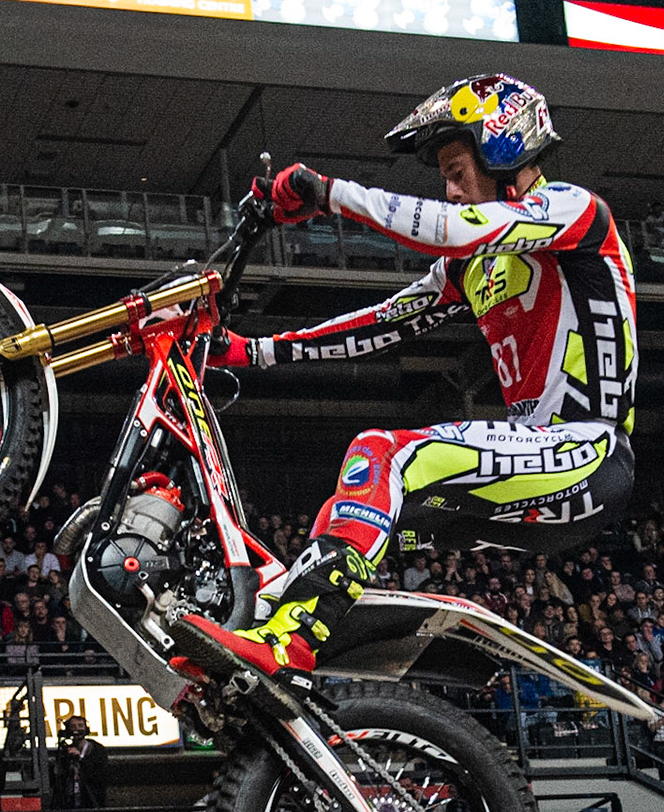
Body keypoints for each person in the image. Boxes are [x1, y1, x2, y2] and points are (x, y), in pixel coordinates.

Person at [181, 74, 635, 689]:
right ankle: (271, 647)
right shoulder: (471, 265)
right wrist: (252, 351)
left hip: (590, 453)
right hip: (540, 471)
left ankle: (293, 641)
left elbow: (461, 229)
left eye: (455, 169)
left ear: (503, 148)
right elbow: (381, 324)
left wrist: (329, 193)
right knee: (352, 508)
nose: (448, 191)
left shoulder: (576, 211)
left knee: (383, 453)